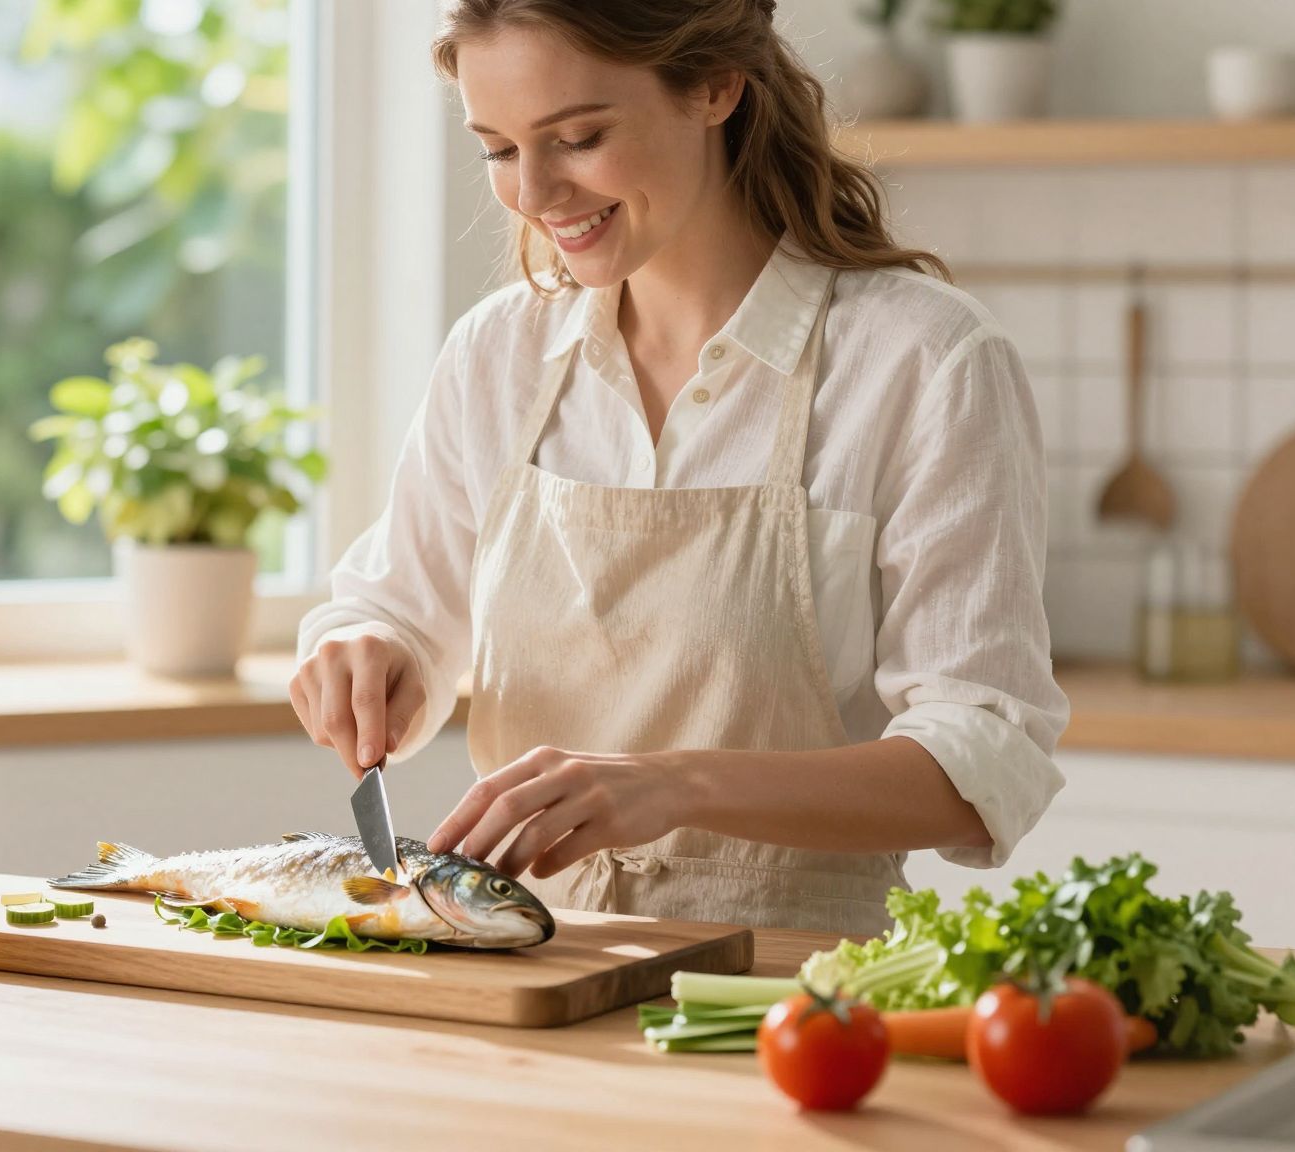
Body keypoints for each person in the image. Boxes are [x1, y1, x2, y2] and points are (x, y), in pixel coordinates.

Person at [288, 0, 1069, 936]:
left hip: (792, 992)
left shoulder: (921, 360)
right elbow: (399, 609)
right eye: (498, 149)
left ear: (714, 87)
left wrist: (675, 783)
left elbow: (981, 759)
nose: (534, 193)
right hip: (530, 962)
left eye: (576, 137)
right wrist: (370, 652)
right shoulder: (499, 353)